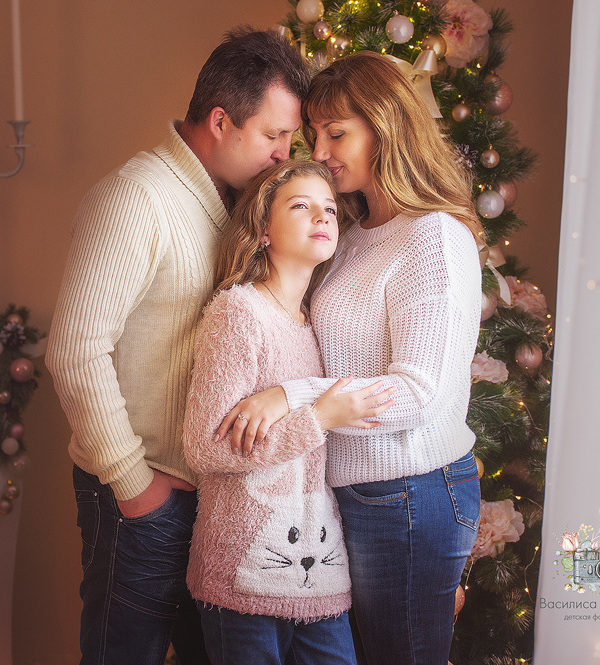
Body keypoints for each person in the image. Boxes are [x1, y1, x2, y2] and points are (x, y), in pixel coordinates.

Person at [44, 28, 309, 665]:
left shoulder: (234, 203)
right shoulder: (137, 198)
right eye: (274, 136)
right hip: (140, 493)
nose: (284, 156)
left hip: (210, 500)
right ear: (221, 121)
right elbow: (75, 350)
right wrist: (134, 485)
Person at [216, 51, 484, 665]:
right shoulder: (356, 233)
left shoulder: (435, 236)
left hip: (411, 494)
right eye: (314, 134)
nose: (321, 150)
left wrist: (293, 397)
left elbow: (420, 392)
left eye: (338, 133)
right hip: (350, 495)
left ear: (387, 128)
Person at [183, 159, 394, 665]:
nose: (322, 217)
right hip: (244, 568)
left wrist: (308, 408)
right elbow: (203, 445)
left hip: (318, 568)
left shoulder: (312, 323)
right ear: (262, 231)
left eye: (328, 209)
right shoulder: (239, 312)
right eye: (300, 206)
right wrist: (317, 419)